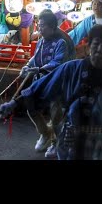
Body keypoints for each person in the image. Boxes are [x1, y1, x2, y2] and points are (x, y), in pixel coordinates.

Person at [0, 24, 102, 160]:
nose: (100, 49)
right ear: (88, 47)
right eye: (96, 44)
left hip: (100, 148)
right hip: (70, 141)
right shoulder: (71, 69)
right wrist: (14, 103)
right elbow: (43, 86)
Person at [19, 9, 73, 159]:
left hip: (57, 82)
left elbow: (58, 63)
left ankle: (55, 143)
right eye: (39, 25)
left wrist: (39, 69)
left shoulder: (61, 42)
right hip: (41, 81)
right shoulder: (41, 41)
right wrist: (27, 65)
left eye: (42, 26)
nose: (39, 29)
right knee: (30, 104)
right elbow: (35, 58)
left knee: (56, 115)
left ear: (52, 27)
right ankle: (45, 133)